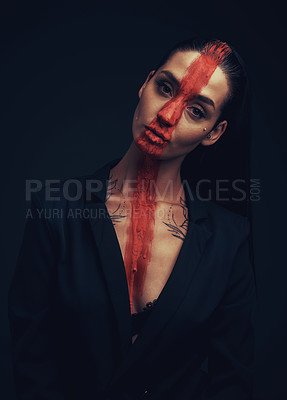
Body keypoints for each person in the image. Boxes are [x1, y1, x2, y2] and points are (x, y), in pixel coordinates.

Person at [8, 37, 257, 400]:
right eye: (166, 87)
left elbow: (231, 383)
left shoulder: (228, 240)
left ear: (214, 133)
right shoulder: (56, 210)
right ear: (145, 84)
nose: (167, 115)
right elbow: (32, 362)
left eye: (197, 111)